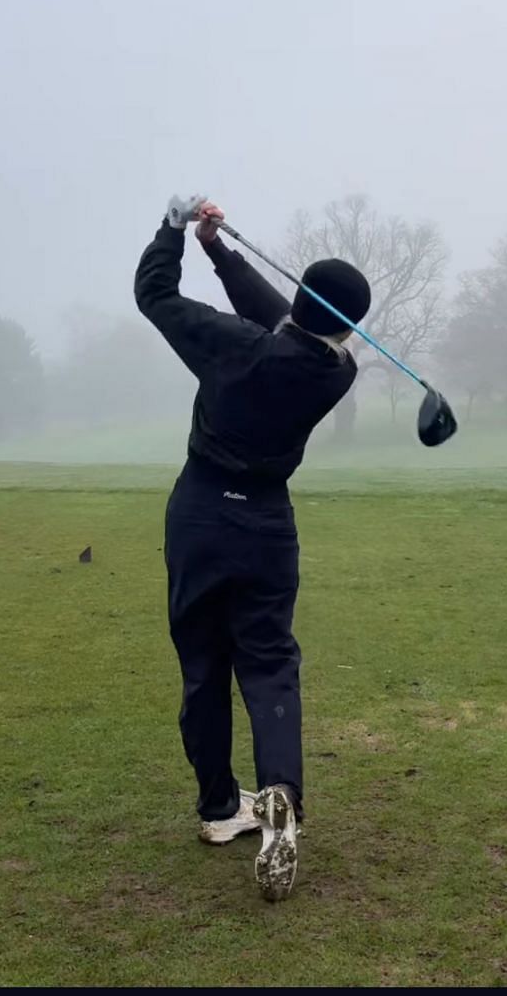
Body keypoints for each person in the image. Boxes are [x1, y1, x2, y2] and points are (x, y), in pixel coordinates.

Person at [134, 193, 371, 902]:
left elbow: (153, 294)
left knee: (204, 667)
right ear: (347, 324)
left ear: (300, 294)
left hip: (202, 516)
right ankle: (280, 795)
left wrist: (174, 228)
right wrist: (220, 251)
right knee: (268, 664)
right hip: (268, 525)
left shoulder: (234, 344)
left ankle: (218, 808)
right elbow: (294, 325)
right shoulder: (337, 371)